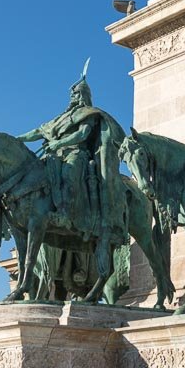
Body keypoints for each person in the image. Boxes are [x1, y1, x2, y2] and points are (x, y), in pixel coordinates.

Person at [17, 63, 128, 266]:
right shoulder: (61, 117)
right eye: (72, 94)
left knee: (69, 174)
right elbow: (38, 131)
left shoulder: (88, 113)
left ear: (83, 95)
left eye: (76, 94)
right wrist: (16, 140)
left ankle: (65, 213)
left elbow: (83, 134)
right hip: (55, 155)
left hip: (77, 154)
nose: (73, 97)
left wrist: (59, 142)